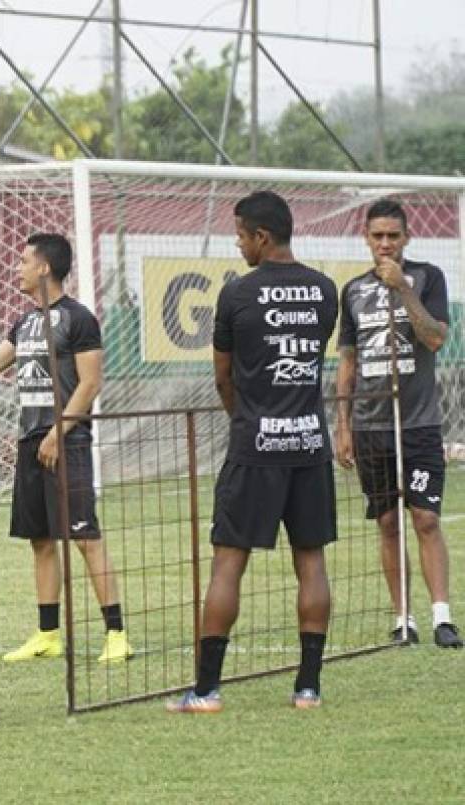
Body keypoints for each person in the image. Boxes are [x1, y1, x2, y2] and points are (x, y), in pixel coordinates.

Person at [0, 233, 132, 665]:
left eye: (23, 261)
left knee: (85, 537)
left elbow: (90, 383)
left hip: (67, 443)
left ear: (44, 268)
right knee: (40, 541)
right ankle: (48, 634)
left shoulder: (79, 318)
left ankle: (116, 633)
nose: (16, 268)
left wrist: (59, 431)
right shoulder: (26, 321)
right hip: (30, 442)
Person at [168, 191, 339, 713]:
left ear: (262, 237)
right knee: (311, 562)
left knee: (227, 565)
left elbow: (223, 376)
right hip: (310, 444)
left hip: (255, 446)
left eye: (241, 235)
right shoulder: (325, 290)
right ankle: (307, 689)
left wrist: (249, 419)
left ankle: (206, 691)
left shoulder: (239, 294)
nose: (238, 244)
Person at [334, 198, 461, 649]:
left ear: (407, 237)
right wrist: (343, 424)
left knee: (425, 517)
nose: (385, 243)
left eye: (393, 235)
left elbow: (435, 337)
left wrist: (403, 289)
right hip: (371, 427)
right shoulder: (351, 291)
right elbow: (347, 361)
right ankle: (401, 619)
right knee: (388, 522)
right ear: (366, 239)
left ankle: (442, 618)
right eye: (377, 236)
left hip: (419, 424)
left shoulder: (427, 278)